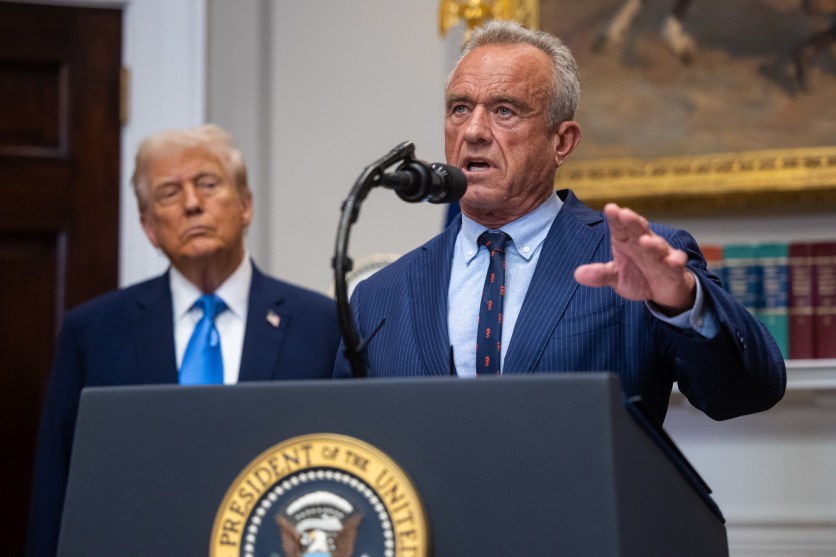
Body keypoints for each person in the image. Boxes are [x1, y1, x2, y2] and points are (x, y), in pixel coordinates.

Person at [333, 21, 785, 425]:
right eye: (459, 108)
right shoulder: (379, 296)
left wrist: (682, 302)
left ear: (562, 142)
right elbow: (347, 440)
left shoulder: (636, 264)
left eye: (504, 110)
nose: (473, 130)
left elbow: (743, 394)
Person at [27, 124, 341, 557]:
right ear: (149, 227)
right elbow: (55, 493)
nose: (192, 204)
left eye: (208, 185)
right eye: (169, 194)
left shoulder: (322, 325)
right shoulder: (93, 333)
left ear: (246, 205)